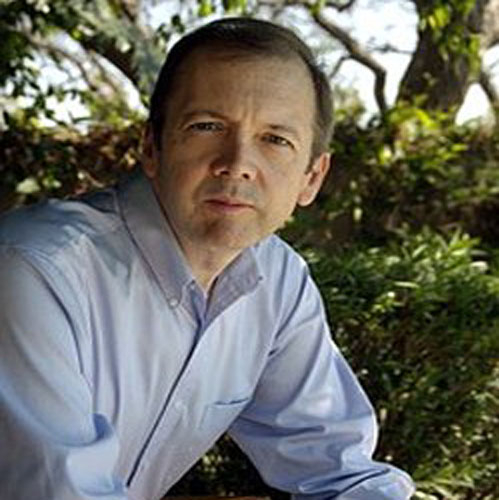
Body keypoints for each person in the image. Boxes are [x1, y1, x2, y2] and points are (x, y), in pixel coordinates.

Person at [0, 17, 415, 500]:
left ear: (312, 178)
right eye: (207, 126)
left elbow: (339, 470)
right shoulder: (34, 271)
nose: (237, 163)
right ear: (151, 147)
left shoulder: (278, 282)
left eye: (275, 139)